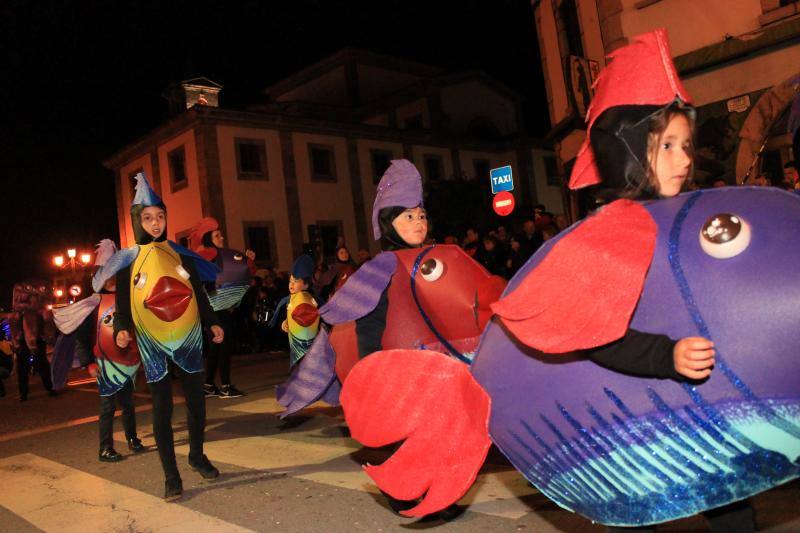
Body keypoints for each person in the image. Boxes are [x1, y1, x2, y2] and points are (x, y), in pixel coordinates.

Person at [568, 28, 754, 533]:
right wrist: (665, 356)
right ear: (627, 148)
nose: (685, 158)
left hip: (711, 405)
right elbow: (598, 337)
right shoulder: (606, 234)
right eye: (667, 144)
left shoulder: (690, 217)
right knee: (642, 511)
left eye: (687, 145)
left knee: (735, 499)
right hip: (637, 415)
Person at [95, 173, 223, 501]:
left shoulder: (180, 255)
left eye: (160, 217)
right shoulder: (127, 261)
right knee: (162, 409)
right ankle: (171, 475)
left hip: (190, 338)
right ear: (138, 220)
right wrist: (123, 329)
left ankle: (197, 456)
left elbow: (199, 293)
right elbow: (123, 305)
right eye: (148, 218)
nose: (155, 223)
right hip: (152, 344)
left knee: (197, 404)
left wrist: (212, 322)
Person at [53, 239, 145, 462]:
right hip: (105, 363)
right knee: (107, 406)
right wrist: (89, 363)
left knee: (128, 403)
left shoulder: (128, 300)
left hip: (128, 361)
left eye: (116, 272)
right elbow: (82, 339)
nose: (112, 279)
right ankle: (105, 448)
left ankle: (132, 438)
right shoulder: (92, 305)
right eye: (107, 273)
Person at [189, 217, 254, 399]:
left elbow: (240, 276)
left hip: (219, 308)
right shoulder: (204, 260)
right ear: (209, 238)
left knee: (216, 349)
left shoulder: (222, 258)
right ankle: (225, 386)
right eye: (218, 235)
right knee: (224, 346)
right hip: (214, 310)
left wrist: (248, 263)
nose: (222, 238)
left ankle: (209, 385)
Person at [9, 282, 55, 401]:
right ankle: (24, 393)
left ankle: (49, 387)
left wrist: (46, 335)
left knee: (41, 364)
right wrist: (16, 342)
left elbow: (47, 323)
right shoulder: (18, 314)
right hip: (23, 341)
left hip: (37, 339)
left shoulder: (38, 312)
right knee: (24, 368)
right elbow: (14, 327)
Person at [272, 255, 320, 368]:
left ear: (306, 285)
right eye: (290, 281)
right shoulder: (293, 298)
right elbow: (292, 315)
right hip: (296, 341)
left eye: (296, 281)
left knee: (307, 364)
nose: (291, 284)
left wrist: (295, 320)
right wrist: (286, 322)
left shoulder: (305, 297)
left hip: (306, 342)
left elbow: (306, 315)